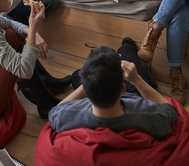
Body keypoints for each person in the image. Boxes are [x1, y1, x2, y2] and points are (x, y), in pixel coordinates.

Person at [48, 38, 178, 139]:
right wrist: (136, 79)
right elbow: (171, 111)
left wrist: (92, 80)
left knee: (76, 75)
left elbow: (56, 110)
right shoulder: (150, 116)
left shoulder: (66, 117)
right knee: (126, 47)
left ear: (86, 90)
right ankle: (126, 47)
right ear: (123, 88)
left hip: (95, 95)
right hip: (134, 95)